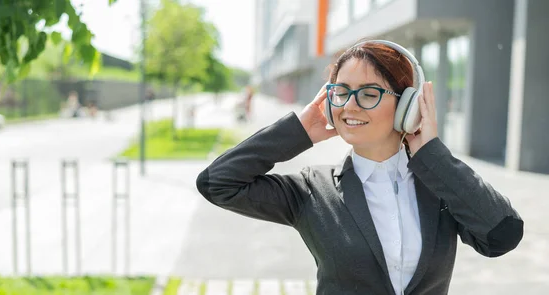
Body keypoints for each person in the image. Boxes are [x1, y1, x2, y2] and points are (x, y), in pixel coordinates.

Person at [195, 40, 523, 295]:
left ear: (406, 105)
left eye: (368, 94)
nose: (349, 105)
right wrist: (297, 132)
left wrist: (432, 155)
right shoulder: (313, 190)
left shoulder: (439, 185)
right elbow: (217, 183)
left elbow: (503, 235)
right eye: (341, 93)